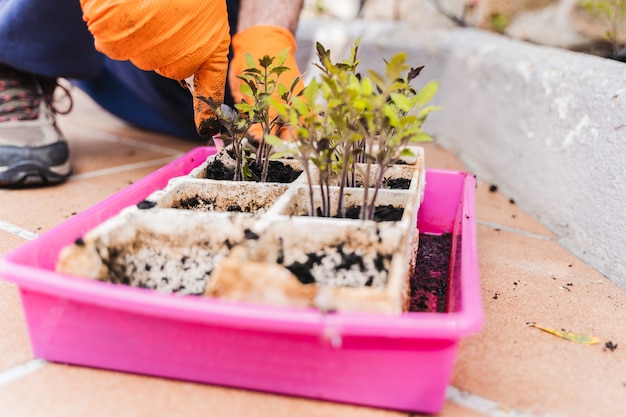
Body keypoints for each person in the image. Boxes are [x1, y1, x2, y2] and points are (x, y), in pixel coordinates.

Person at [0, 0, 304, 187]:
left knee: (207, 106)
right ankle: (17, 63)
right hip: (85, 19)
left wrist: (265, 35)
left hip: (199, 30)